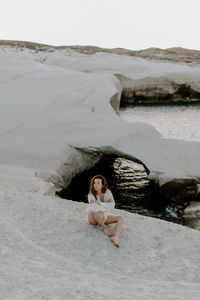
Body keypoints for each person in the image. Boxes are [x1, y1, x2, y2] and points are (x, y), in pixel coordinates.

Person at [87, 174, 123, 248]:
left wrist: (99, 203)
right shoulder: (91, 194)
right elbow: (94, 207)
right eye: (94, 183)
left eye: (98, 183)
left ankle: (116, 237)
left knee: (120, 218)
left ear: (102, 185)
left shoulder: (107, 192)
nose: (95, 185)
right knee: (96, 211)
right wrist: (105, 205)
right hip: (92, 218)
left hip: (103, 216)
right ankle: (104, 227)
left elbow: (112, 205)